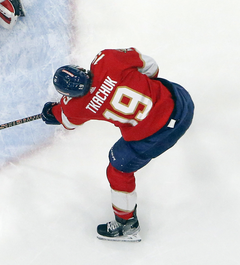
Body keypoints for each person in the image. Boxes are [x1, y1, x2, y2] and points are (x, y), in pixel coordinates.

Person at [41, 48, 194, 242]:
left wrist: (53, 112)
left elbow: (67, 121)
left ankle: (127, 225)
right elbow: (151, 67)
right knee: (152, 84)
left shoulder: (77, 106)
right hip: (182, 101)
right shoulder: (107, 59)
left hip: (161, 134)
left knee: (118, 170)